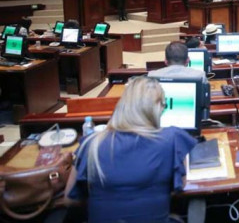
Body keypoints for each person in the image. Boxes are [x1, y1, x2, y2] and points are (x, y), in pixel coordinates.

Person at [65, 76, 198, 223]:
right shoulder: (172, 139)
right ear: (158, 107)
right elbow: (178, 187)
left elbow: (70, 200)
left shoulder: (91, 144)